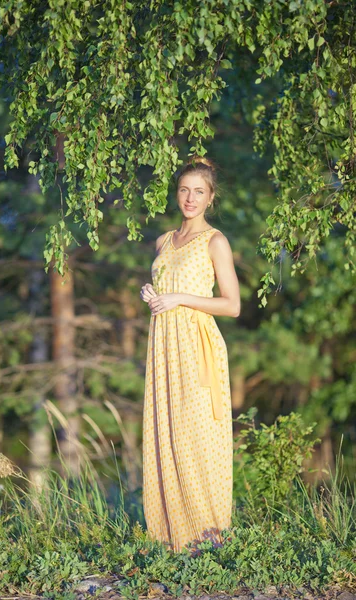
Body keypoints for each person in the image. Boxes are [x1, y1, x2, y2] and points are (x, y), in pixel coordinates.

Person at [140, 156, 241, 554]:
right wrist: (152, 296)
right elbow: (165, 289)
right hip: (163, 347)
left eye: (199, 191)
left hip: (198, 349)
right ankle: (172, 536)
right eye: (184, 189)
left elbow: (232, 305)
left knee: (198, 436)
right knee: (166, 433)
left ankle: (209, 537)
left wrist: (180, 298)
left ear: (211, 198)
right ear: (176, 192)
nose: (190, 198)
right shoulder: (163, 241)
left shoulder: (215, 241)